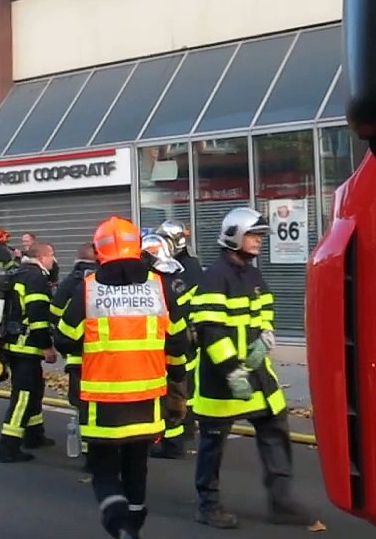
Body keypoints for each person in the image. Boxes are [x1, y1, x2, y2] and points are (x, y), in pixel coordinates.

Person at [54, 216, 189, 539]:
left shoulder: (88, 290)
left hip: (102, 400)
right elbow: (181, 342)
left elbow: (64, 337)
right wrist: (177, 381)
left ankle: (118, 522)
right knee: (136, 463)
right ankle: (135, 520)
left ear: (100, 253)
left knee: (103, 467)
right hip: (147, 399)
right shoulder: (160, 287)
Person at [190, 208, 309, 528]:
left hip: (257, 372)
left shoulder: (253, 275)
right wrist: (232, 370)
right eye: (253, 235)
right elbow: (209, 331)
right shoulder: (215, 277)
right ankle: (208, 504)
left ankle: (281, 500)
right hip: (221, 377)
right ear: (234, 236)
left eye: (259, 236)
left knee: (275, 428)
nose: (258, 242)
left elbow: (264, 310)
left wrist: (266, 336)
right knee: (213, 444)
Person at [0, 241, 59, 463]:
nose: (53, 261)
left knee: (35, 388)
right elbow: (38, 317)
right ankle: (8, 446)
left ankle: (34, 434)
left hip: (11, 343)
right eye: (52, 256)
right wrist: (47, 347)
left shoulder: (17, 273)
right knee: (23, 395)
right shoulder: (36, 278)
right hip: (26, 345)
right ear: (43, 256)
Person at [153, 220, 202, 459]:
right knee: (186, 385)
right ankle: (187, 428)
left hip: (182, 335)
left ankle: (175, 437)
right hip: (186, 334)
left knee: (178, 386)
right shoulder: (187, 265)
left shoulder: (182, 269)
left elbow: (179, 304)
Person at [53, 241, 98, 465]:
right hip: (102, 357)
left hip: (76, 356)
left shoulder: (71, 282)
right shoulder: (102, 282)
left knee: (82, 404)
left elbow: (55, 312)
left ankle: (90, 453)